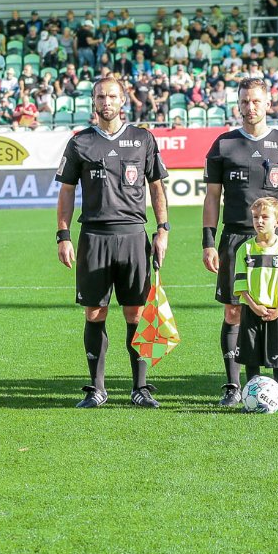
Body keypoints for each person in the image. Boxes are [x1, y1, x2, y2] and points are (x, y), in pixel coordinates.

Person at [54, 75, 171, 408]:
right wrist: (63, 235)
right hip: (94, 237)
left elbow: (156, 186)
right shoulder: (80, 142)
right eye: (100, 97)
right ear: (94, 102)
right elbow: (66, 192)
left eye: (112, 96)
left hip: (133, 235)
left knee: (136, 313)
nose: (106, 102)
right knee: (95, 312)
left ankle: (140, 388)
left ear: (123, 100)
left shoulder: (143, 139)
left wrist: (163, 229)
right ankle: (97, 388)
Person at [201, 77, 278, 407]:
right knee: (234, 310)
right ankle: (234, 386)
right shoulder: (223, 145)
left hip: (277, 240)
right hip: (235, 238)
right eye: (245, 102)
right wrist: (208, 242)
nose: (250, 107)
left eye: (256, 101)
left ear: (268, 104)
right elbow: (212, 196)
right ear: (238, 105)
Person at [233, 197, 278, 404]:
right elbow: (241, 285)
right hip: (252, 309)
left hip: (277, 310)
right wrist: (254, 305)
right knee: (251, 352)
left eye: (264, 217)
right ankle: (252, 392)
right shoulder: (245, 249)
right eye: (255, 217)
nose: (259, 221)